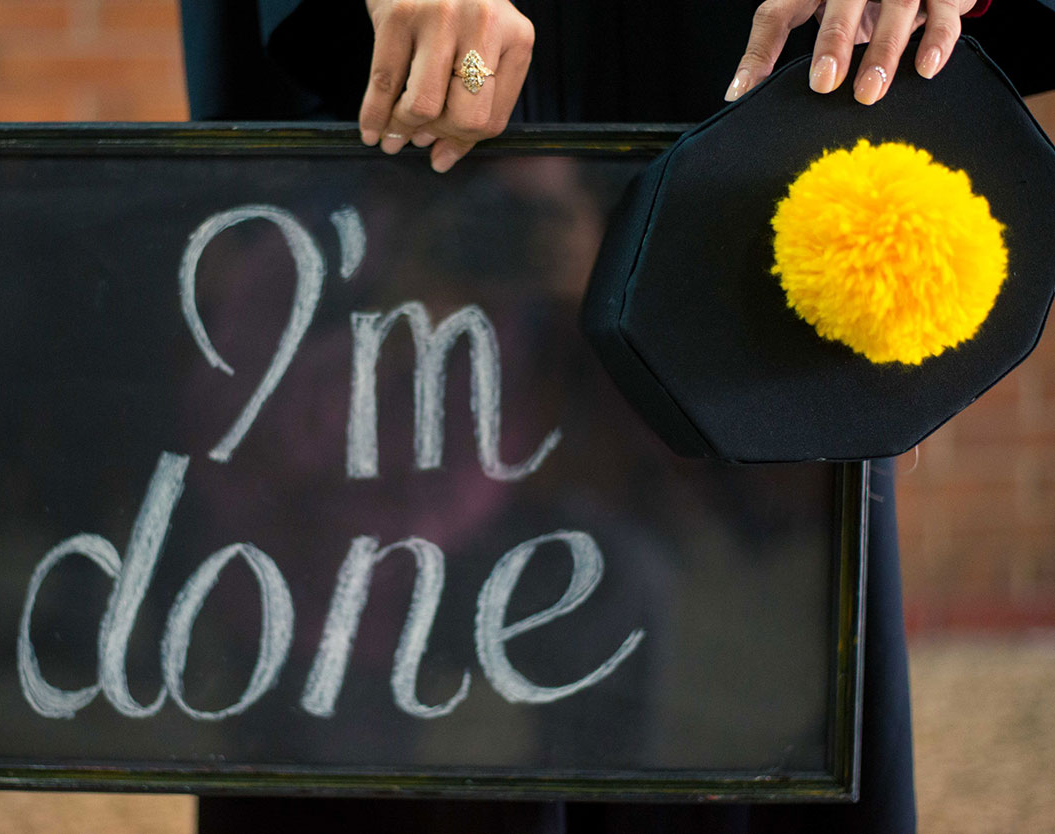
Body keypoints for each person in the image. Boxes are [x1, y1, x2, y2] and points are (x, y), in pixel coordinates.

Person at [181, 2, 1055, 831]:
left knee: (669, 611)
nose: (499, 239)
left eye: (527, 219)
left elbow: (647, 483)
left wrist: (591, 297)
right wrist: (408, 316)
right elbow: (234, 435)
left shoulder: (551, 293)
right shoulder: (326, 257)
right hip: (328, 571)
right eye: (491, 217)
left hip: (735, 146)